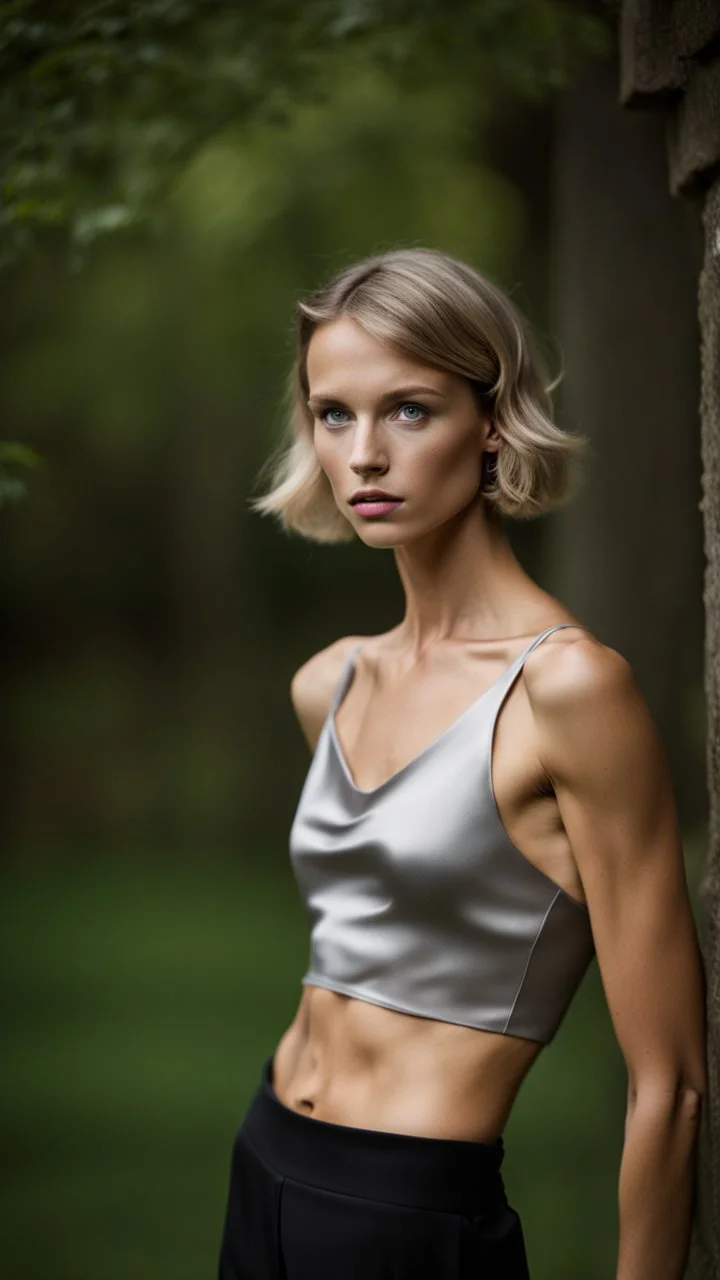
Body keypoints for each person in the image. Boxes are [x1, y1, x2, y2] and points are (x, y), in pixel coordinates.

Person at [217, 248, 706, 1280]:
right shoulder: (331, 683)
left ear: (490, 420)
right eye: (333, 413)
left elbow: (671, 1080)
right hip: (263, 1158)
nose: (364, 455)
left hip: (408, 1210)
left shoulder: (569, 692)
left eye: (409, 409)